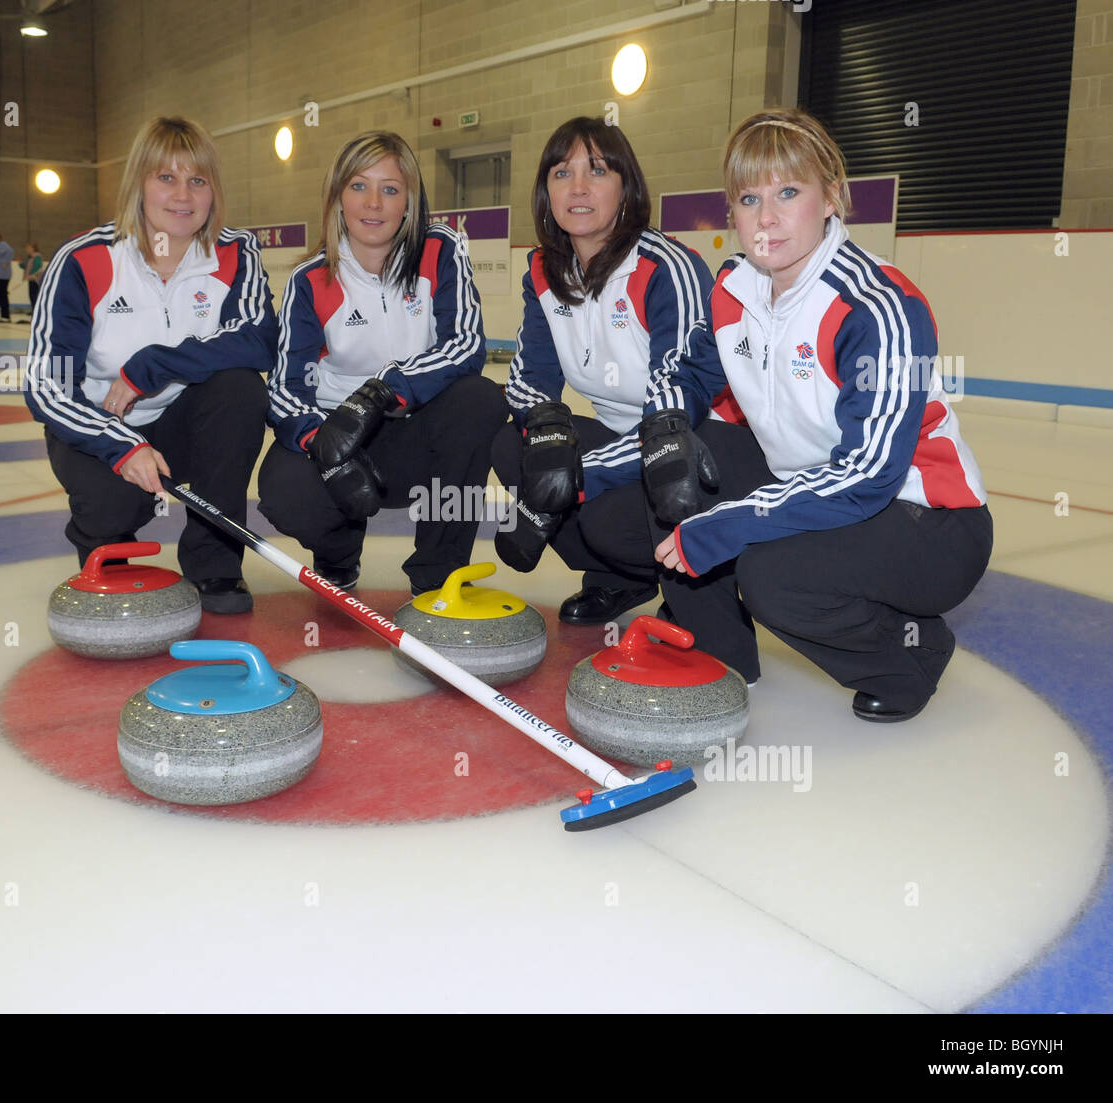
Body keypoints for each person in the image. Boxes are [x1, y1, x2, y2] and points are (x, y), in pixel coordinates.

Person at [647, 107, 992, 721]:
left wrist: (730, 523)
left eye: (788, 191)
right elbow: (693, 377)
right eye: (749, 198)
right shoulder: (733, 289)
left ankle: (910, 655)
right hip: (816, 494)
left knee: (771, 575)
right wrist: (657, 436)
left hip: (926, 520)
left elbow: (867, 475)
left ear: (832, 196)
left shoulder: (877, 306)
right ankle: (722, 650)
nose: (767, 218)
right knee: (686, 455)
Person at [24, 115, 276, 614]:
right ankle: (107, 551)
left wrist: (154, 365)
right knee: (113, 503)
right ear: (138, 183)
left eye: (197, 180)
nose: (183, 195)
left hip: (185, 424)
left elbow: (258, 340)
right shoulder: (83, 259)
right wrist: (119, 444)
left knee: (240, 388)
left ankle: (214, 565)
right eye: (166, 177)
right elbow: (47, 385)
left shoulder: (235, 253)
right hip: (101, 426)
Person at [260, 130, 505, 595]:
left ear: (409, 201)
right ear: (337, 198)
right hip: (342, 441)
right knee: (285, 493)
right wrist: (323, 444)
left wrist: (382, 391)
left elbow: (466, 344)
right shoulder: (310, 280)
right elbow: (286, 388)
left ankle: (438, 575)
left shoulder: (442, 250)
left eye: (390, 189)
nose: (373, 202)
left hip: (416, 434)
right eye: (358, 186)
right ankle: (338, 553)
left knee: (479, 400)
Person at [491, 116, 714, 626]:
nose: (579, 188)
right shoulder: (546, 271)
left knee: (601, 512)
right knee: (514, 446)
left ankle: (699, 588)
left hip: (692, 450)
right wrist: (545, 434)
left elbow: (675, 403)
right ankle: (619, 579)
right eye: (561, 174)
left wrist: (557, 491)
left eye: (598, 171)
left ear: (626, 187)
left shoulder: (664, 267)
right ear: (546, 191)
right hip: (624, 445)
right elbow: (530, 379)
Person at [19, 242, 45, 312]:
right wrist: (21, 264)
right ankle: (34, 310)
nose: (27, 249)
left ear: (33, 248)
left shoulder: (37, 257)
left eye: (28, 248)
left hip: (35, 279)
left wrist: (31, 275)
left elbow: (37, 266)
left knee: (34, 296)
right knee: (32, 295)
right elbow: (26, 266)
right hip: (31, 279)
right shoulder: (30, 257)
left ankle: (36, 310)